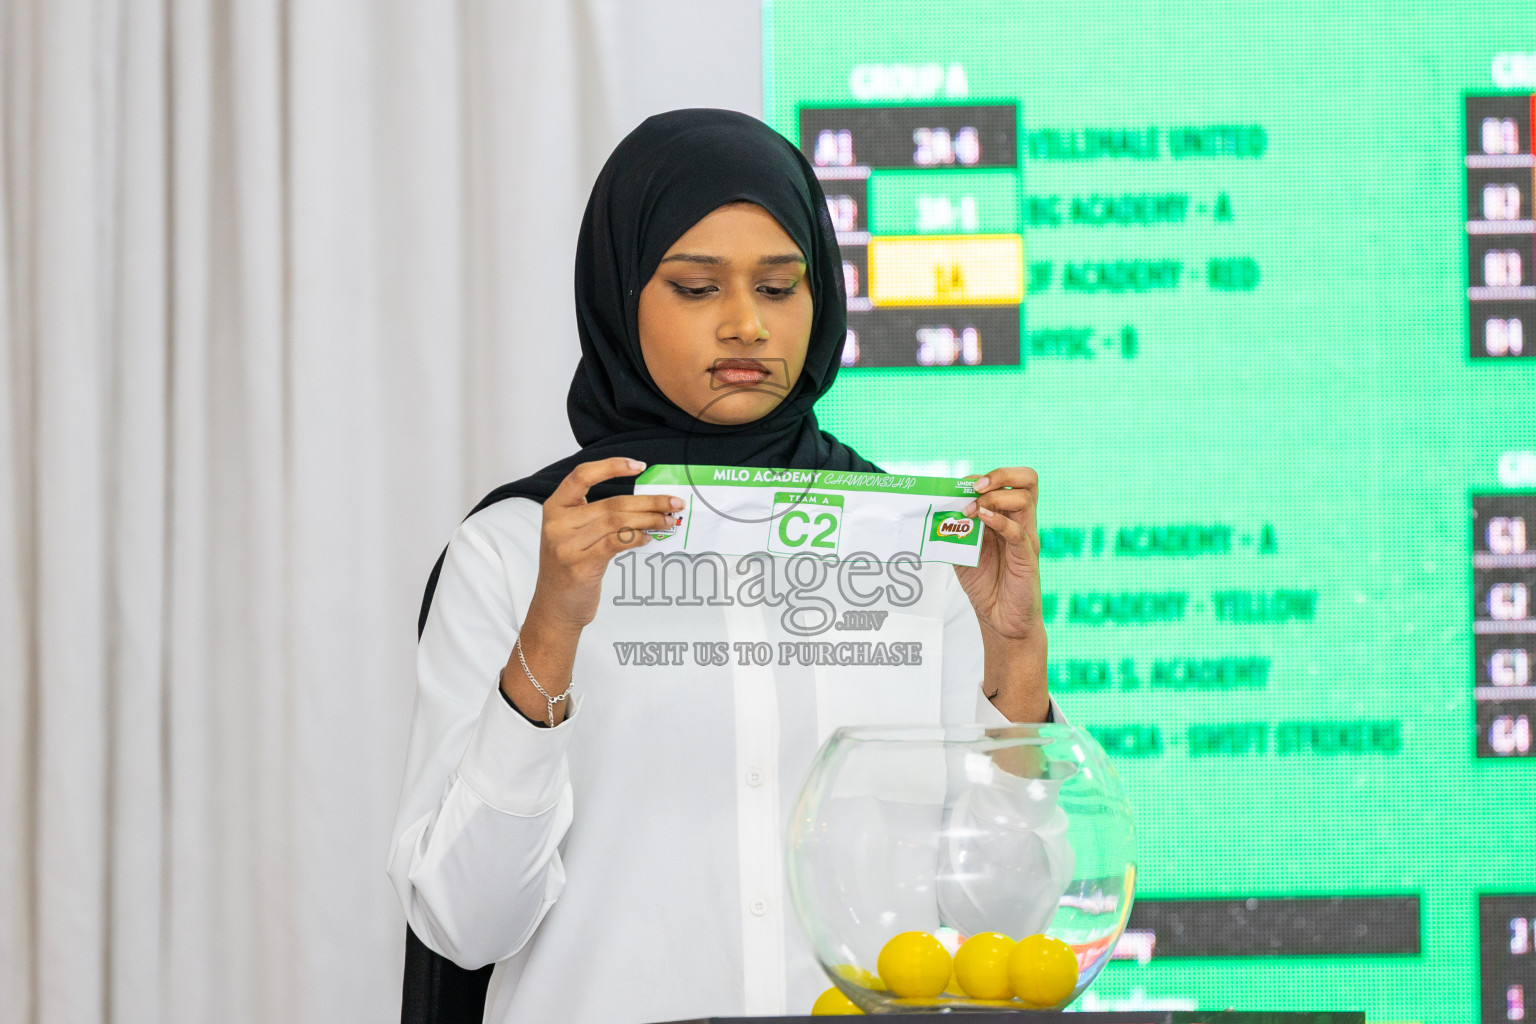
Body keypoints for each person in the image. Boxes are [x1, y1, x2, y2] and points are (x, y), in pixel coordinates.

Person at [387, 108, 1061, 1024]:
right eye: (698, 288)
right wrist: (552, 629)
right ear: (621, 295)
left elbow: (1004, 918)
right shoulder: (515, 548)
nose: (746, 326)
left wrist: (1015, 652)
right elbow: (465, 926)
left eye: (780, 289)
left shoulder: (912, 540)